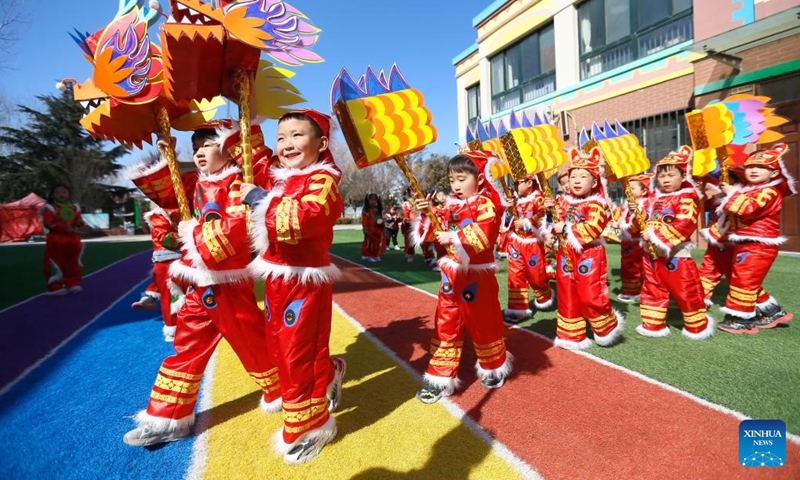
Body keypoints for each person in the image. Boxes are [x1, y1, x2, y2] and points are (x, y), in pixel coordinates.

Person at [122, 122, 282, 447]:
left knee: (255, 350)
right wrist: (168, 156)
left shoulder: (239, 184)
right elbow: (168, 199)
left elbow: (236, 232)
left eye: (207, 145)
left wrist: (191, 234)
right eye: (195, 148)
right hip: (201, 285)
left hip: (228, 284)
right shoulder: (195, 183)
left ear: (228, 148)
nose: (198, 153)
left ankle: (304, 385)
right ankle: (168, 418)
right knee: (186, 348)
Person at [242, 109, 346, 465]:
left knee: (299, 353)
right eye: (281, 137)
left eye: (297, 136)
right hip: (276, 278)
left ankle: (310, 426)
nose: (286, 144)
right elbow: (250, 153)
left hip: (305, 281)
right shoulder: (280, 178)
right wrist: (248, 114)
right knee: (278, 346)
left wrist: (260, 201)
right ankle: (330, 375)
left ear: (322, 143)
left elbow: (309, 218)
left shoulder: (323, 180)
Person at [412, 150, 512, 404]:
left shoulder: (486, 204)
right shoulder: (450, 206)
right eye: (451, 179)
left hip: (477, 277)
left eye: (461, 178)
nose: (455, 186)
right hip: (450, 276)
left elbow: (485, 235)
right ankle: (439, 378)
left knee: (483, 323)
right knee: (445, 324)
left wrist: (455, 237)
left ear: (479, 179)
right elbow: (435, 232)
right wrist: (428, 213)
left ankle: (493, 365)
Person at [706, 144, 795, 333]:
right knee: (747, 280)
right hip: (746, 243)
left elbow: (748, 208)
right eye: (750, 167)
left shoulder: (769, 192)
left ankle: (741, 320)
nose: (754, 170)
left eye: (762, 167)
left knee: (743, 281)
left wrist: (731, 193)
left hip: (759, 244)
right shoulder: (748, 190)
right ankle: (772, 312)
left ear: (773, 173)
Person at [546, 148, 623, 350]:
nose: (577, 180)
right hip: (565, 253)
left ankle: (606, 326)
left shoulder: (597, 204)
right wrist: (551, 218)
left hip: (588, 254)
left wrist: (566, 228)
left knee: (590, 293)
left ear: (594, 181)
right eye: (573, 176)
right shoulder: (562, 201)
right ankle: (571, 334)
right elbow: (555, 223)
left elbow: (592, 228)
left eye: (583, 176)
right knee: (567, 292)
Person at [636, 146, 714, 339]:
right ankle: (653, 324)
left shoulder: (686, 198)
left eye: (671, 175)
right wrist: (637, 212)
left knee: (686, 289)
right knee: (652, 288)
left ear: (683, 176)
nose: (666, 180)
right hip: (651, 254)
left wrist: (654, 235)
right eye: (662, 176)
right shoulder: (652, 199)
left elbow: (684, 224)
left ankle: (696, 326)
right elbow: (641, 222)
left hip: (675, 255)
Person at [502, 174, 553, 323]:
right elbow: (507, 220)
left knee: (536, 276)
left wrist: (526, 223)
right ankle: (518, 310)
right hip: (516, 243)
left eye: (517, 182)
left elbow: (543, 213)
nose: (515, 186)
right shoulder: (515, 200)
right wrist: (508, 209)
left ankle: (544, 294)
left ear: (529, 182)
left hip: (533, 243)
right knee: (515, 276)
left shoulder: (539, 198)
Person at [142, 207, 184, 342]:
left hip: (183, 258)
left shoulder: (182, 207)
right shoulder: (158, 215)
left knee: (185, 294)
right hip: (166, 262)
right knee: (170, 295)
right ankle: (172, 327)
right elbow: (164, 238)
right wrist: (189, 238)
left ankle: (185, 324)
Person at [616, 173, 652, 303]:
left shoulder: (645, 204)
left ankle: (633, 292)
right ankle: (634, 290)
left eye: (632, 188)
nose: (628, 191)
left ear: (643, 191)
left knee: (634, 266)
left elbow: (640, 223)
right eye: (627, 188)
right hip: (627, 241)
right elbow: (619, 216)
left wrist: (635, 212)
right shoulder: (627, 203)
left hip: (637, 241)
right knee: (628, 265)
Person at [43, 184, 84, 295]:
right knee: (56, 263)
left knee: (74, 263)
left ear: (68, 194)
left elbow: (79, 221)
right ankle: (54, 287)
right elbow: (48, 224)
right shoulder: (50, 208)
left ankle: (72, 283)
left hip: (73, 240)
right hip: (56, 240)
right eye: (57, 192)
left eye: (64, 192)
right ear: (52, 195)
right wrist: (63, 228)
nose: (61, 194)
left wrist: (79, 223)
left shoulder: (74, 208)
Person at [360, 193, 385, 262]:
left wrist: (383, 225)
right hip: (369, 229)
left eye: (374, 200)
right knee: (368, 242)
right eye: (371, 200)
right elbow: (364, 219)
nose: (373, 201)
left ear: (377, 200)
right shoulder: (366, 210)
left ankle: (375, 255)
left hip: (378, 229)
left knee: (377, 243)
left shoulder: (378, 209)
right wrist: (365, 228)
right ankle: (366, 255)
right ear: (368, 200)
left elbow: (381, 218)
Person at [401, 187, 416, 262]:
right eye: (413, 191)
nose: (415, 193)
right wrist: (407, 226)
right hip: (410, 224)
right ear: (410, 193)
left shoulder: (419, 202)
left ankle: (428, 257)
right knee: (410, 241)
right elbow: (405, 216)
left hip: (419, 223)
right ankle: (410, 254)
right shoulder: (407, 203)